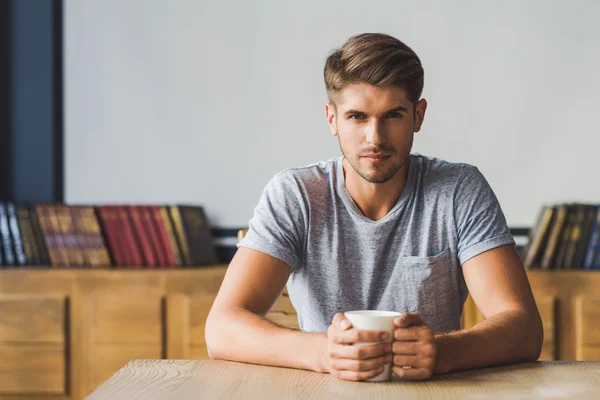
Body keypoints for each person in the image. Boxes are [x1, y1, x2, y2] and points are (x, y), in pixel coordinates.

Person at [205, 33, 543, 381]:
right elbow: (221, 328)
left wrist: (443, 352)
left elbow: (524, 328)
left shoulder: (459, 190)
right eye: (357, 117)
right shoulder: (296, 195)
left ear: (418, 115)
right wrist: (324, 353)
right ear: (332, 118)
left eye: (393, 115)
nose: (376, 137)